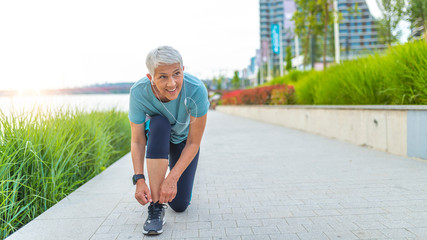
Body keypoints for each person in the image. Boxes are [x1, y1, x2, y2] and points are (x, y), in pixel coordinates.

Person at [128, 46, 209, 235]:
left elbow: (194, 142)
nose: (172, 83)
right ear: (151, 78)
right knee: (158, 123)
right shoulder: (139, 92)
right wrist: (139, 179)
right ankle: (155, 209)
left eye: (176, 74)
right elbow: (138, 140)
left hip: (184, 141)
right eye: (163, 76)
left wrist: (172, 179)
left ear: (183, 70)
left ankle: (165, 180)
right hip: (158, 135)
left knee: (179, 205)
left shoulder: (196, 90)